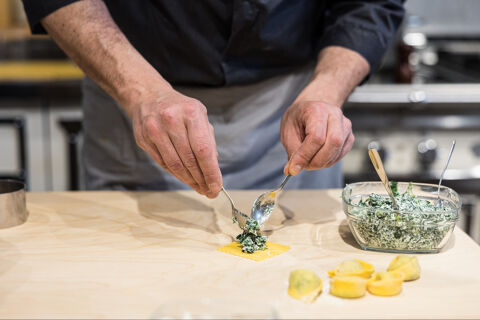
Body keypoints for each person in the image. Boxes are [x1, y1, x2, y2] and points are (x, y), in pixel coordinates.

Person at [22, 0, 404, 198]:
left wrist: (325, 92)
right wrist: (141, 92)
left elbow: (368, 3)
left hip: (288, 110)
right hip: (137, 99)